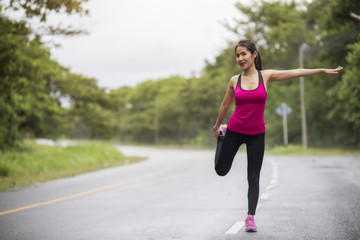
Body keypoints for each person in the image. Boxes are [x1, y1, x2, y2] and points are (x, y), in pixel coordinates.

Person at [212, 39, 343, 232]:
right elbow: (225, 105)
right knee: (221, 170)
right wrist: (217, 127)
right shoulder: (234, 80)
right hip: (234, 131)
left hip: (257, 134)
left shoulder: (267, 76)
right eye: (237, 55)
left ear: (254, 54)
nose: (240, 58)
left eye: (243, 54)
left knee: (253, 178)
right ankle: (223, 134)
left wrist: (321, 70)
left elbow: (296, 72)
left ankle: (250, 217)